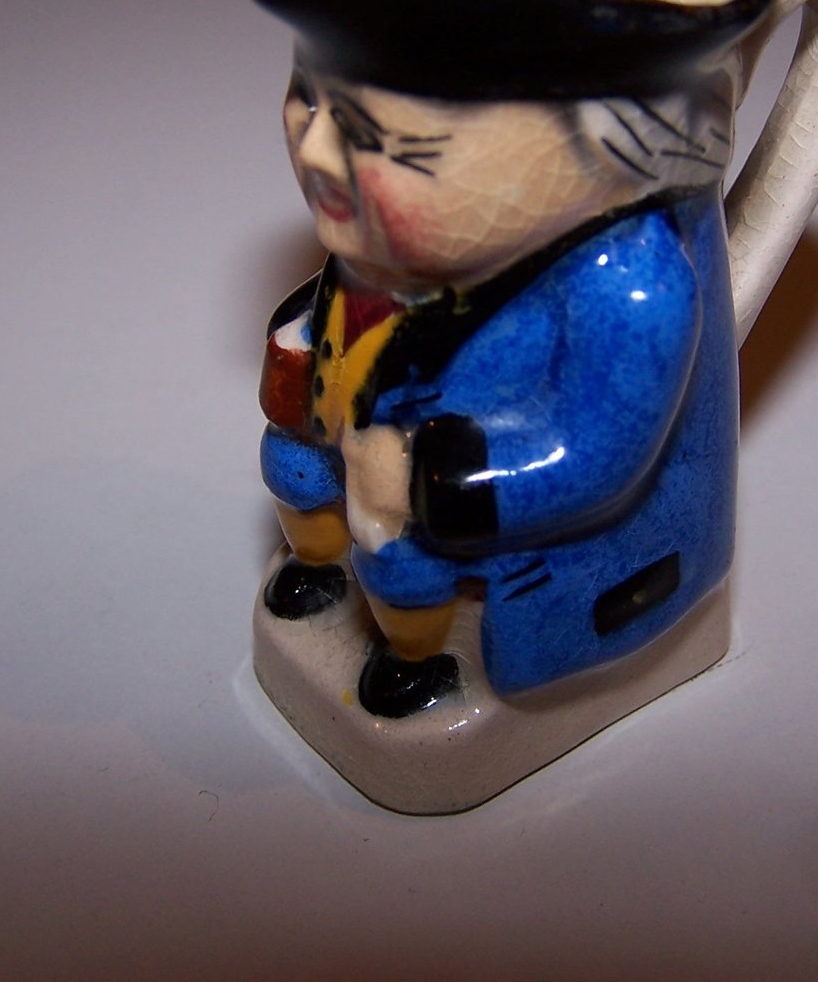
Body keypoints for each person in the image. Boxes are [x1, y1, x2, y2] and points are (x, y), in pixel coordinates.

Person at [257, 63, 745, 716]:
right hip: (355, 421)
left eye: (374, 134)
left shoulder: (629, 283)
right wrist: (298, 346)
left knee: (403, 558)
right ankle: (318, 567)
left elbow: (593, 457)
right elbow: (347, 307)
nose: (317, 150)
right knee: (292, 464)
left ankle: (415, 660)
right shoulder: (394, 230)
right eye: (309, 99)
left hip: (495, 505)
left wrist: (432, 480)